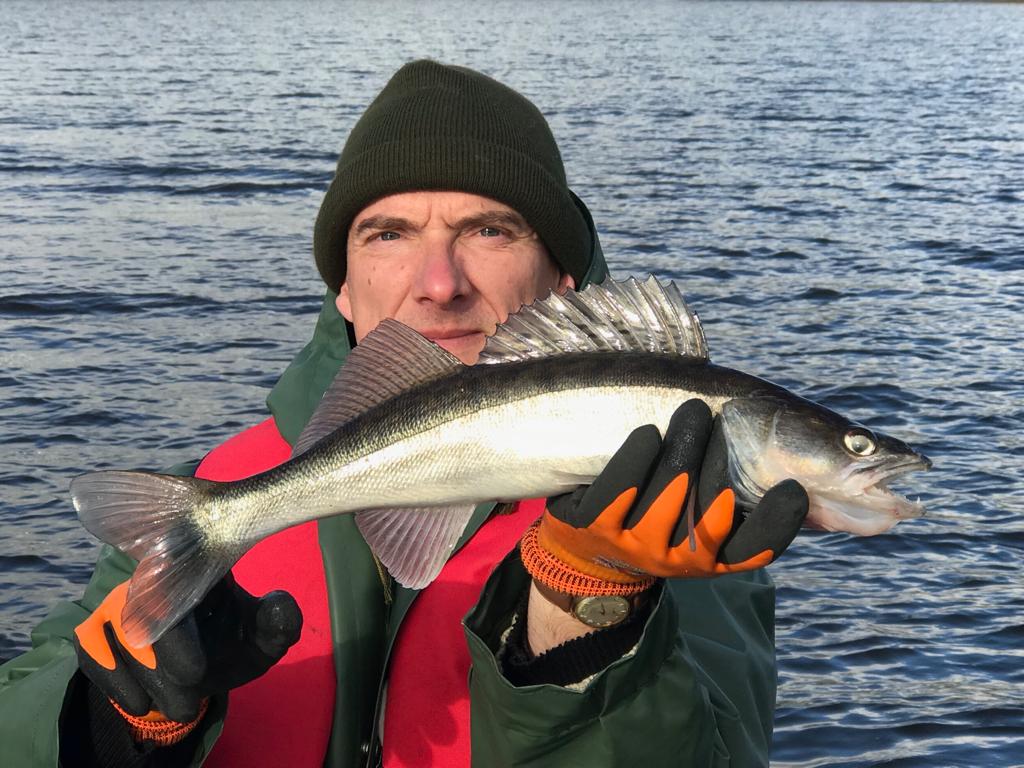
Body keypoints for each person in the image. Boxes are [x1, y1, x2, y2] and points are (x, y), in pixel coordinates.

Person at [0, 60, 807, 767]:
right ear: (344, 288)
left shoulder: (680, 511)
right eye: (387, 233)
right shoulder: (214, 492)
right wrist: (118, 725)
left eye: (488, 229)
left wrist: (588, 608)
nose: (439, 281)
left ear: (562, 278)